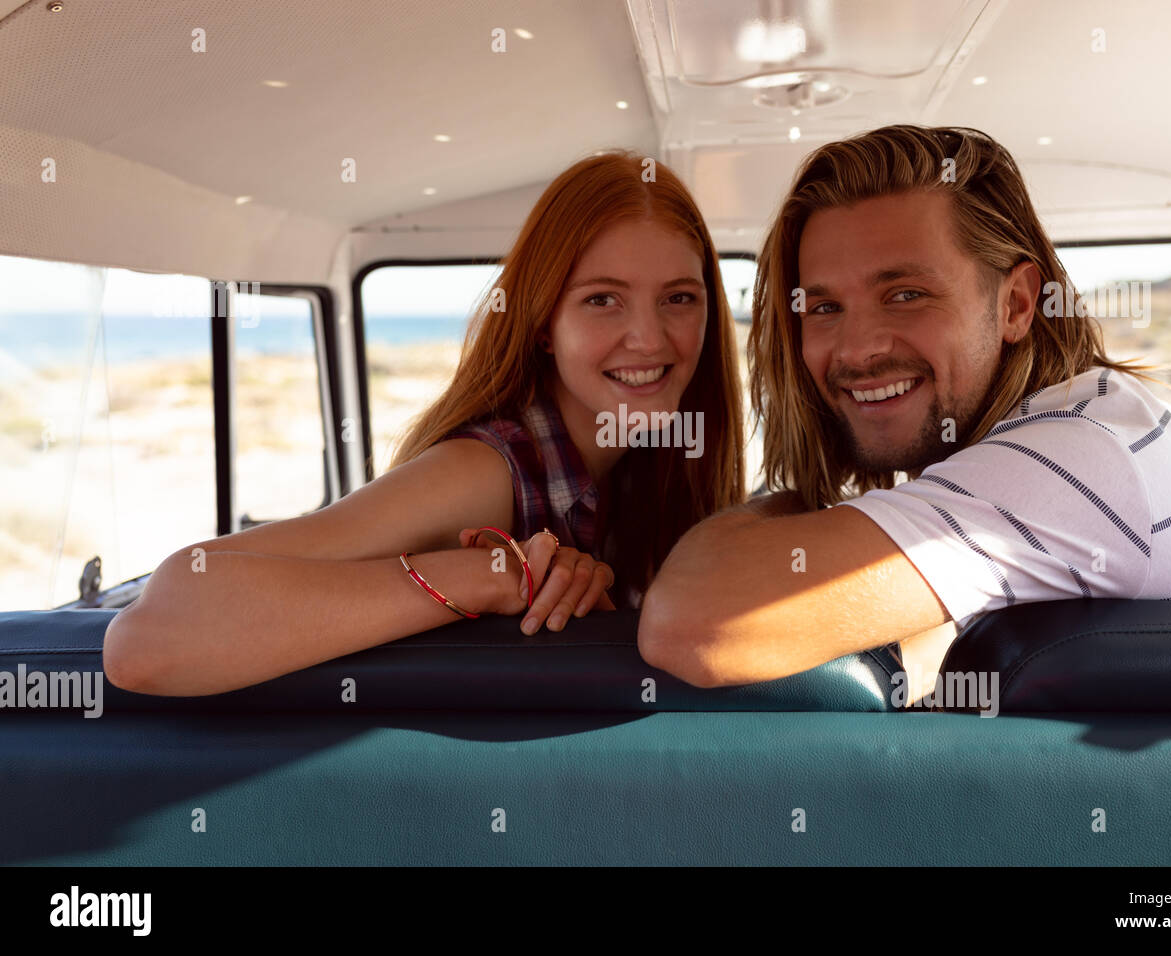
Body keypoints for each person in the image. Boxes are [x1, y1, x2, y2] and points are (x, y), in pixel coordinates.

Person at [636, 124, 1171, 693]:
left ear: (1015, 305)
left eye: (906, 295)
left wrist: (793, 501)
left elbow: (693, 625)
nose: (858, 350)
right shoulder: (1074, 428)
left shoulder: (1070, 456)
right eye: (826, 308)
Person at [105, 151, 746, 696]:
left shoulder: (658, 466)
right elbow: (153, 634)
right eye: (602, 299)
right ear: (544, 326)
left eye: (678, 299)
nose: (649, 336)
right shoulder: (484, 473)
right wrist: (495, 577)